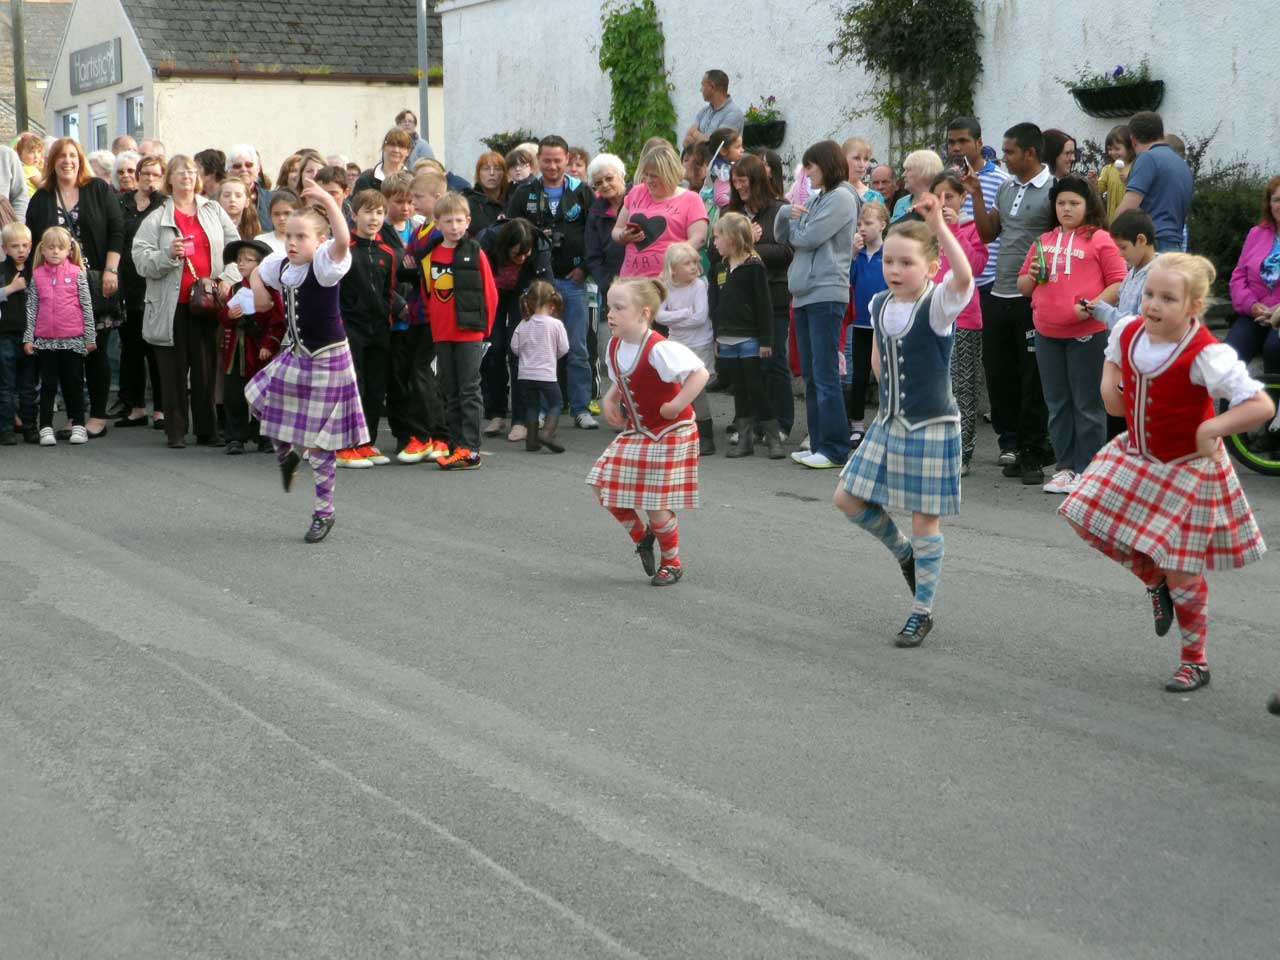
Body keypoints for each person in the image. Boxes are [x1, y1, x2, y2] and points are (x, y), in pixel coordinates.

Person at [1060, 254, 1273, 693]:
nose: (1153, 305)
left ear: (1193, 306)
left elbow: (1261, 405)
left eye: (1168, 299)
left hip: (1186, 470)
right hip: (1137, 455)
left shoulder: (1207, 355)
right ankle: (1153, 579)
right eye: (1151, 294)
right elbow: (1114, 361)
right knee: (1081, 513)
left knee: (1183, 570)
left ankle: (1195, 661)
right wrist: (1107, 383)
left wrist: (1214, 426)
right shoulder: (1129, 330)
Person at [833, 194, 975, 648]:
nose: (895, 270)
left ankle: (922, 610)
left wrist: (939, 225)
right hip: (889, 421)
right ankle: (904, 555)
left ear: (930, 267)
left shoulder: (936, 306)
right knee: (847, 499)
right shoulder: (878, 303)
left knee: (924, 522)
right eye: (890, 261)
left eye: (907, 263)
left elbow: (966, 278)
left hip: (932, 425)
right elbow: (877, 359)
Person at [242, 183, 367, 544]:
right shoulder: (281, 263)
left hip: (329, 358)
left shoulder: (327, 266)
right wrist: (258, 286)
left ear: (320, 242)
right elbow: (258, 273)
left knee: (322, 445)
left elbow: (343, 241)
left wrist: (328, 201)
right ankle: (288, 457)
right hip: (297, 353)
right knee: (257, 398)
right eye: (288, 236)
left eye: (301, 237)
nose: (292, 243)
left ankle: (323, 513)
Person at [588, 276, 710, 586]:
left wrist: (678, 402)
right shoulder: (614, 346)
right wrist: (610, 398)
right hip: (641, 430)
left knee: (655, 505)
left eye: (619, 308)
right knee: (602, 485)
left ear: (644, 313)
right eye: (609, 308)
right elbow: (622, 378)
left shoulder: (660, 348)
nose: (610, 315)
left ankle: (672, 562)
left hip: (673, 431)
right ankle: (643, 538)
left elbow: (700, 373)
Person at [1017, 176, 1126, 493]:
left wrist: (1094, 305)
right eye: (1061, 203)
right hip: (1047, 333)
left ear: (1088, 205)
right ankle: (1065, 467)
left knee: (1087, 404)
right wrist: (1032, 277)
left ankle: (1089, 470)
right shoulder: (1043, 241)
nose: (1066, 208)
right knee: (1058, 404)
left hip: (1087, 335)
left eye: (1074, 203)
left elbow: (1119, 283)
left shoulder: (1101, 239)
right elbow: (1023, 285)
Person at [963, 122, 1055, 484]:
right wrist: (974, 195)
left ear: (1030, 153)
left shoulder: (1052, 189)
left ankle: (1035, 451)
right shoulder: (1005, 187)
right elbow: (988, 234)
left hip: (1032, 294)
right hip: (998, 292)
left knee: (1031, 377)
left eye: (1010, 152)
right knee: (1000, 376)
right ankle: (1014, 443)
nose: (1004, 158)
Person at [132, 155, 240, 449]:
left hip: (207, 301)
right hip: (171, 306)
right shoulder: (157, 218)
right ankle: (176, 431)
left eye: (192, 172)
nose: (187, 177)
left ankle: (207, 431)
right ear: (169, 178)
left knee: (206, 369)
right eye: (180, 172)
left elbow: (236, 250)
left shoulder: (213, 210)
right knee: (173, 371)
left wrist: (226, 279)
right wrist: (167, 255)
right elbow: (141, 262)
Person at [25, 137, 123, 440]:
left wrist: (110, 270)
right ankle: (74, 416)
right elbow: (32, 245)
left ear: (79, 159)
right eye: (61, 156)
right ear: (52, 161)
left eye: (72, 155)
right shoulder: (41, 197)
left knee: (95, 350)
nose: (67, 161)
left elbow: (116, 230)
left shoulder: (98, 189)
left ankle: (97, 416)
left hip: (94, 283)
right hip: (55, 289)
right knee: (66, 357)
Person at [775, 139, 859, 469]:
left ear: (825, 164)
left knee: (825, 375)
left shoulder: (840, 197)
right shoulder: (818, 197)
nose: (806, 172)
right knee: (811, 374)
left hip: (826, 293)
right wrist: (785, 213)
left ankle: (836, 449)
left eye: (810, 165)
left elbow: (807, 237)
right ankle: (819, 443)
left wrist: (796, 223)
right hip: (805, 294)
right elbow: (783, 235)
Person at [507, 135, 597, 429]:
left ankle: (581, 408)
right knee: (540, 350)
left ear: (568, 159)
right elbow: (511, 231)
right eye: (546, 160)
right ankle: (543, 409)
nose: (552, 166)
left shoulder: (582, 192)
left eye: (558, 160)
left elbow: (594, 235)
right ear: (538, 161)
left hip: (573, 278)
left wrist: (585, 268)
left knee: (578, 347)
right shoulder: (524, 192)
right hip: (538, 284)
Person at [413, 192, 498, 470]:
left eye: (459, 220)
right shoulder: (431, 254)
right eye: (447, 221)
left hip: (470, 332)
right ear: (437, 223)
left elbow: (490, 293)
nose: (454, 226)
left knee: (469, 389)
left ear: (468, 221)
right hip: (442, 332)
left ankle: (470, 449)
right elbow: (427, 291)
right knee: (449, 390)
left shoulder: (475, 252)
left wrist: (485, 330)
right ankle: (455, 445)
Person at [721, 153, 792, 440]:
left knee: (774, 362)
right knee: (745, 368)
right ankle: (748, 424)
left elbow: (786, 252)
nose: (739, 187)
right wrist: (743, 240)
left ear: (757, 180)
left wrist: (747, 245)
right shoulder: (730, 212)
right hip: (739, 304)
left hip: (773, 296)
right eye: (735, 181)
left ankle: (781, 423)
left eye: (743, 180)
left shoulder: (779, 209)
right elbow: (716, 252)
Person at [336, 188, 404, 468]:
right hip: (351, 327)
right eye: (367, 212)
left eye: (378, 212)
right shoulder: (344, 250)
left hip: (379, 328)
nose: (373, 218)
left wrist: (389, 316)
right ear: (354, 215)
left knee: (376, 386)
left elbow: (390, 292)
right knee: (355, 385)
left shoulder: (388, 252)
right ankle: (346, 444)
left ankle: (367, 441)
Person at [477, 218, 554, 443]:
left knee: (518, 352)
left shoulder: (540, 247)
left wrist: (543, 315)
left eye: (525, 254)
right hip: (493, 294)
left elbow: (546, 284)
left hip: (525, 295)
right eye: (516, 254)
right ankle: (496, 413)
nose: (521, 258)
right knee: (494, 349)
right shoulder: (487, 241)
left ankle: (520, 419)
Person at [708, 212, 778, 458]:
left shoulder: (754, 267)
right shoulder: (719, 268)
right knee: (738, 389)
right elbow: (714, 305)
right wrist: (717, 335)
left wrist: (766, 340)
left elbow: (764, 306)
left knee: (755, 387)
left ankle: (772, 437)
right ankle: (745, 440)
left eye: (717, 237)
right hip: (726, 338)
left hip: (749, 338)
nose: (714, 242)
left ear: (733, 238)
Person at [22, 226, 95, 446]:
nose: (55, 252)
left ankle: (79, 426)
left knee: (73, 384)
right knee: (48, 386)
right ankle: (45, 427)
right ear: (42, 250)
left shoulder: (77, 274)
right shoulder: (37, 276)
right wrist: (28, 337)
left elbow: (86, 306)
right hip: (45, 342)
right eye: (50, 247)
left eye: (60, 248)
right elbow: (32, 307)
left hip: (73, 340)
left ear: (69, 250)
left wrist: (90, 337)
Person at [218, 238, 283, 455]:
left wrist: (268, 345)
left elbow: (277, 322)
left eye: (248, 260)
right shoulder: (235, 287)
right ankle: (235, 437)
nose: (242, 264)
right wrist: (229, 315)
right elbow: (224, 316)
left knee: (263, 395)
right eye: (239, 260)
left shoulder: (270, 290)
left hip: (258, 351)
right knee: (234, 394)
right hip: (236, 350)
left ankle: (264, 437)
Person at [115, 153, 166, 429]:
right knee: (131, 349)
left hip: (154, 286)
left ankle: (160, 409)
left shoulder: (165, 205)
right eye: (145, 174)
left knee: (155, 351)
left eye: (155, 174)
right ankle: (136, 407)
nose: (149, 179)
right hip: (127, 284)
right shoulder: (122, 202)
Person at [613, 141, 710, 281]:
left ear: (669, 173)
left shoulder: (691, 199)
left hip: (670, 281)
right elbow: (616, 230)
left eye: (654, 176)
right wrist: (624, 235)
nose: (648, 180)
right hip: (631, 281)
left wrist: (673, 258)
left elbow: (698, 239)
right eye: (646, 175)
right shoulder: (636, 192)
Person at [947, 118, 1009, 327]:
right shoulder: (945, 181)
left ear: (979, 143)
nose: (956, 147)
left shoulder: (1002, 181)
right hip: (951, 278)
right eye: (951, 142)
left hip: (988, 281)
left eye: (963, 141)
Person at [658, 242, 714, 454]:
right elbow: (659, 316)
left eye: (695, 262)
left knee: (696, 390)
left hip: (698, 344)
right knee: (675, 388)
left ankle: (706, 435)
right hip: (676, 343)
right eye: (687, 263)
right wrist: (682, 314)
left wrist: (673, 319)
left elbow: (700, 317)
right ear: (673, 268)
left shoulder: (699, 286)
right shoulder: (665, 286)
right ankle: (681, 430)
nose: (693, 267)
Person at [1113, 112, 1193, 253]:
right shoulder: (1181, 163)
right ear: (1161, 133)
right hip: (1176, 242)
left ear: (1133, 140)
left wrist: (1109, 232)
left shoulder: (1147, 158)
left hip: (1153, 242)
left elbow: (1127, 209)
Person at [845, 201, 890, 452]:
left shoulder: (888, 254)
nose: (863, 228)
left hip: (883, 323)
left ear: (883, 225)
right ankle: (857, 424)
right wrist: (852, 254)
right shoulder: (859, 254)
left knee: (885, 374)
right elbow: (848, 280)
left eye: (869, 223)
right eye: (860, 224)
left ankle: (886, 421)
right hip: (861, 322)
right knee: (859, 374)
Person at [1224, 176, 1280, 374]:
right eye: (1277, 200)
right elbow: (1238, 277)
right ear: (1269, 204)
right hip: (1255, 312)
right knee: (1229, 354)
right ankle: (1231, 406)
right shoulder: (1256, 233)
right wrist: (1252, 306)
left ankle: (1271, 404)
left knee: (1274, 349)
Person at [509, 279, 569, 452]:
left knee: (532, 406)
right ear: (551, 302)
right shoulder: (556, 324)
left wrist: (525, 356)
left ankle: (532, 440)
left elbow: (515, 347)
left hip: (525, 375)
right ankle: (547, 433)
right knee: (556, 403)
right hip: (546, 374)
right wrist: (553, 356)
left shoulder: (523, 323)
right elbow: (564, 348)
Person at [0, 223, 36, 444]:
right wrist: (10, 289)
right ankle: (5, 428)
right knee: (5, 385)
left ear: (31, 247)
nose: (20, 250)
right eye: (15, 246)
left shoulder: (36, 270)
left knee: (29, 385)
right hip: (5, 335)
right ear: (5, 248)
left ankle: (30, 426)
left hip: (30, 335)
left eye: (24, 245)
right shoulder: (2, 271)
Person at [683, 69, 745, 146]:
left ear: (712, 87)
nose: (701, 90)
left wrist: (695, 134)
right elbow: (686, 142)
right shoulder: (703, 111)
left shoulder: (734, 114)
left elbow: (717, 146)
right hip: (700, 157)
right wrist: (704, 140)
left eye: (703, 85)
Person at [226, 144, 273, 232]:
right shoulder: (217, 201)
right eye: (237, 166)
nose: (243, 169)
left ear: (258, 169)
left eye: (249, 165)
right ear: (228, 171)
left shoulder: (271, 199)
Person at [1092, 125, 1134, 223]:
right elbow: (1100, 190)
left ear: (1130, 148)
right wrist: (1094, 182)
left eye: (1117, 149)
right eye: (1110, 149)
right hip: (1112, 218)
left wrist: (1129, 181)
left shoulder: (1136, 167)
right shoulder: (1108, 169)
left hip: (1131, 218)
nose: (1113, 152)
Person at [355, 129, 414, 195]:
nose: (396, 150)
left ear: (408, 152)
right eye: (392, 145)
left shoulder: (414, 181)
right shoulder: (366, 180)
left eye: (401, 146)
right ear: (384, 147)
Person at [890, 150, 943, 222]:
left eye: (908, 170)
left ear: (923, 172)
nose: (903, 175)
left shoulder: (941, 202)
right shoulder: (901, 203)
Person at [465, 152, 507, 237]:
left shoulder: (512, 198)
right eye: (486, 169)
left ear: (504, 173)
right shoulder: (470, 202)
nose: (492, 173)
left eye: (497, 169)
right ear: (478, 173)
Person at [704, 126, 744, 209]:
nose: (742, 150)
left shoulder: (727, 166)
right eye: (737, 147)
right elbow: (719, 197)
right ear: (723, 151)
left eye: (741, 146)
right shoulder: (722, 170)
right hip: (719, 213)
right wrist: (739, 204)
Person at [254, 190, 300, 256]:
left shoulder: (305, 241)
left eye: (287, 213)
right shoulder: (261, 241)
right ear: (270, 216)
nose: (281, 218)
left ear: (297, 214)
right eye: (276, 214)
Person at [217, 177, 259, 242]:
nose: (232, 199)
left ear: (247, 202)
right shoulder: (211, 227)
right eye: (227, 195)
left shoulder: (254, 230)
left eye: (238, 196)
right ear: (218, 201)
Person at [842, 138, 883, 204]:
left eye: (866, 159)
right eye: (856, 158)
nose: (862, 165)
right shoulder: (831, 192)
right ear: (843, 159)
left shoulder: (874, 197)